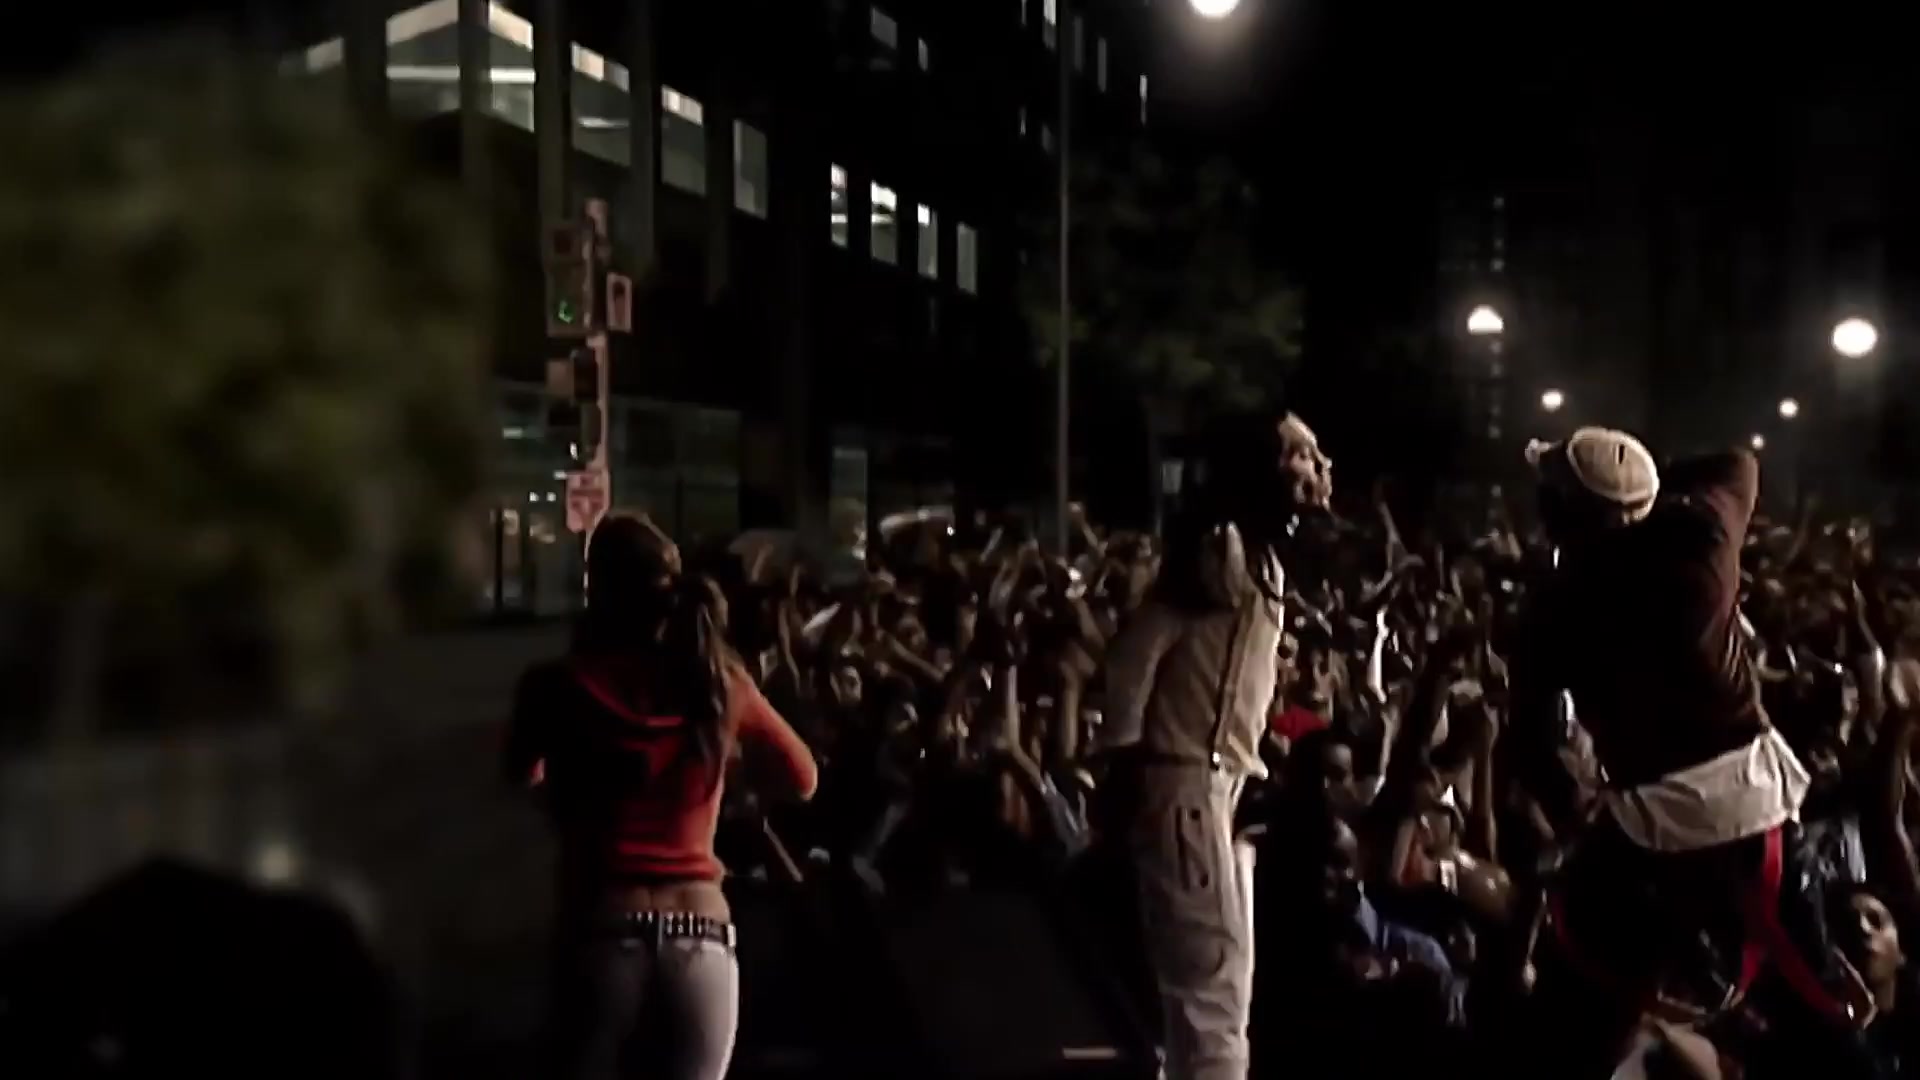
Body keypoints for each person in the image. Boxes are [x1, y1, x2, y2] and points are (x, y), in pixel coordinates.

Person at [1505, 429, 1871, 1077]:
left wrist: (1573, 811)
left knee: (1581, 987)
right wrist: (1650, 488)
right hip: (1754, 813)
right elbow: (1738, 461)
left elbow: (1530, 739)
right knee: (1819, 1006)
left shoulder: (1554, 608)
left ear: (1560, 513)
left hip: (1647, 829)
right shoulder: (1700, 541)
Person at [503, 515, 818, 1080]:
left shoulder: (555, 684)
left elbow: (520, 775)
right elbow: (802, 777)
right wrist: (732, 784)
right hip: (702, 940)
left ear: (598, 589)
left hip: (603, 929)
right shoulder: (719, 682)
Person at [1097, 412, 1333, 1080]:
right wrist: (1124, 759)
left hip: (1218, 787)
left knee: (1212, 994)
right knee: (1213, 995)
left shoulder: (1260, 562)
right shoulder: (1217, 556)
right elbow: (1135, 659)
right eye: (1302, 454)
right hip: (1190, 785)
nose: (1318, 467)